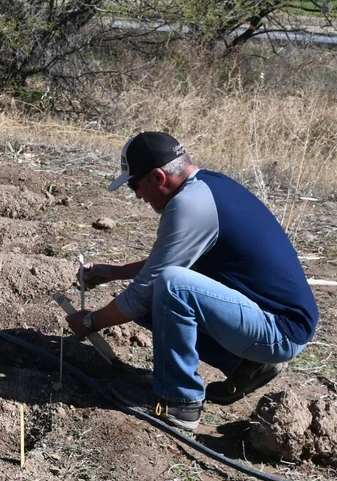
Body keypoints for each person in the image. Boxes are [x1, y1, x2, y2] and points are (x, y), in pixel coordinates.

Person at [64, 131, 316, 431]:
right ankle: (247, 364)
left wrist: (92, 322)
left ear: (158, 177)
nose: (137, 196)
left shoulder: (189, 206)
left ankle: (180, 403)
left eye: (135, 185)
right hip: (267, 319)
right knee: (162, 290)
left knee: (168, 288)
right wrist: (114, 271)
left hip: (280, 330)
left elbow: (151, 288)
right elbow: (173, 262)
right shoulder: (209, 187)